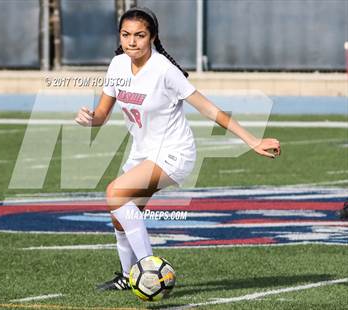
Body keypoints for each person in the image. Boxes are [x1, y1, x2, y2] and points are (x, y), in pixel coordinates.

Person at [75, 7, 281, 291]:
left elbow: (211, 110)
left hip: (174, 153)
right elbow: (101, 114)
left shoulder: (164, 71)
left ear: (153, 37)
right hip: (142, 153)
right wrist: (90, 119)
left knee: (115, 193)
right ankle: (127, 275)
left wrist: (252, 140)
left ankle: (149, 272)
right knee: (120, 215)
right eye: (126, 35)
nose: (132, 41)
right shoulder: (117, 65)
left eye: (139, 35)